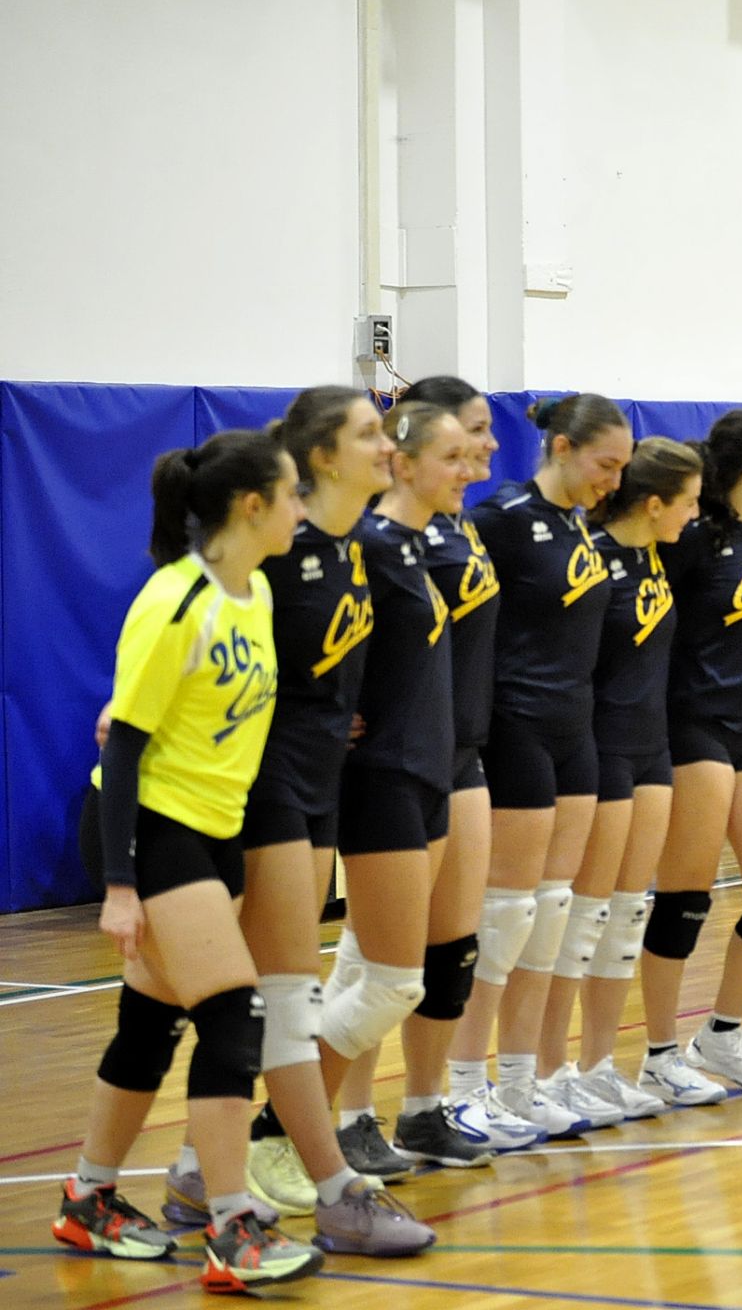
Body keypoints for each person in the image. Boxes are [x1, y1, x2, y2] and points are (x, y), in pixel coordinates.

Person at [54, 430, 328, 1293]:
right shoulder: (178, 601)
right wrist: (120, 886)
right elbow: (126, 745)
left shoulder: (254, 594)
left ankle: (89, 1197)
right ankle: (231, 1226)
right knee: (234, 1015)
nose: (301, 510)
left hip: (215, 830)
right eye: (291, 494)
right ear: (252, 505)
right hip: (151, 828)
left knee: (149, 1025)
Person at [221, 387, 433, 1254]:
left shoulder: (351, 548)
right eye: (370, 433)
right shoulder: (282, 548)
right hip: (260, 788)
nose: (387, 446)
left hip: (317, 787)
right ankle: (331, 1186)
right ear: (321, 457)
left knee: (268, 998)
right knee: (277, 999)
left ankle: (199, 1173)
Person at [444, 393, 632, 1137]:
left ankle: (522, 1082)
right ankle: (464, 1083)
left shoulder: (579, 523)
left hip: (574, 730)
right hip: (515, 727)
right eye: (604, 464)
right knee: (506, 917)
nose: (613, 482)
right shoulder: (500, 519)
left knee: (553, 916)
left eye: (621, 468)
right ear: (560, 447)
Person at [316, 400, 491, 1183]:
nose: (470, 466)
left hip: (436, 765)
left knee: (436, 956)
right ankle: (315, 1121)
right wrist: (336, 713)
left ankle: (410, 1110)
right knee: (379, 971)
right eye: (452, 455)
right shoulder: (370, 544)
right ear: (404, 462)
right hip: (383, 773)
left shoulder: (423, 543)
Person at [637, 409, 742, 1098]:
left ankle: (722, 1033)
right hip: (694, 725)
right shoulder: (690, 537)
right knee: (686, 897)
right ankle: (658, 1054)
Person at [534, 436, 704, 1120]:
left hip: (651, 748)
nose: (694, 516)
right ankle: (548, 1069)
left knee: (627, 916)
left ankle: (599, 1065)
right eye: (687, 503)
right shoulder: (595, 558)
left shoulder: (655, 556)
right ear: (654, 503)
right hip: (599, 751)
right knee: (581, 919)